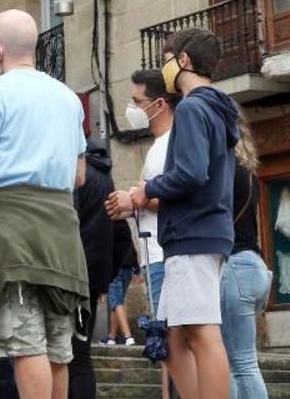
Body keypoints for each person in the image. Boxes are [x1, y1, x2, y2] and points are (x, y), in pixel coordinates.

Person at [0, 10, 89, 399]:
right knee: (59, 346)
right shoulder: (68, 98)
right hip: (62, 230)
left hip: (12, 229)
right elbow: (80, 176)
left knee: (26, 342)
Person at [111, 28, 239, 399]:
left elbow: (192, 173)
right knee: (171, 334)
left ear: (183, 61)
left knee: (202, 333)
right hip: (195, 233)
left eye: (167, 59)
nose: (163, 67)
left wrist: (144, 192)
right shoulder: (209, 108)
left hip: (193, 233)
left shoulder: (195, 108)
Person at [106, 67, 178, 399]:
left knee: (172, 344)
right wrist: (133, 203)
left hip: (165, 256)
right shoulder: (159, 146)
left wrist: (136, 199)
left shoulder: (167, 145)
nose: (132, 109)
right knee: (165, 344)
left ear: (159, 104)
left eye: (137, 101)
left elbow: (178, 196)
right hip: (156, 258)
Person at [222, 116, 272, 399]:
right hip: (254, 265)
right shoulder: (247, 169)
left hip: (235, 266)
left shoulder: (226, 168)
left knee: (236, 362)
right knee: (245, 361)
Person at [69, 138, 117, 399]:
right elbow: (119, 236)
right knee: (81, 353)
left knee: (69, 355)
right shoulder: (107, 180)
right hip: (92, 280)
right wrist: (102, 281)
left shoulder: (78, 176)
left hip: (70, 275)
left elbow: (69, 222)